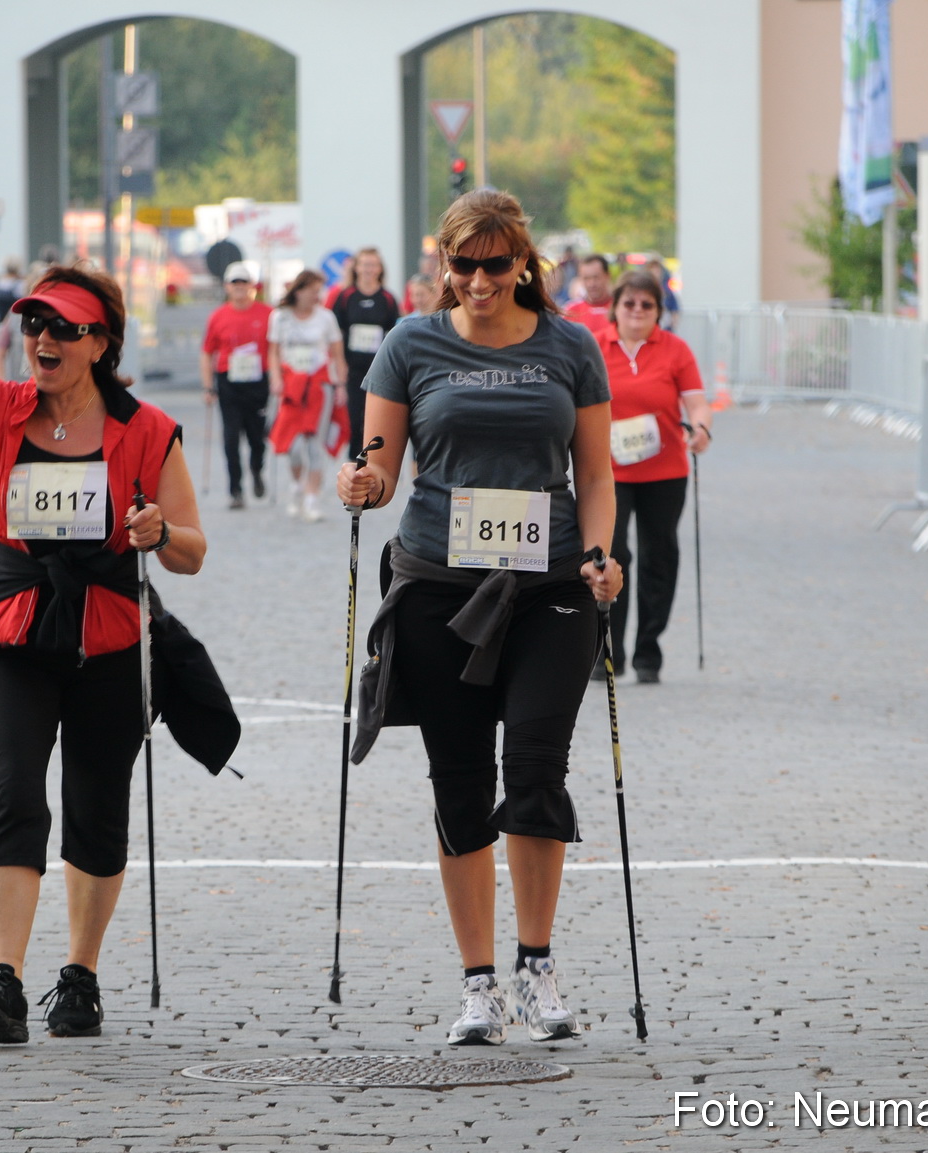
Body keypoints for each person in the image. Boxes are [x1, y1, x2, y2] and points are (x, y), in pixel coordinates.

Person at [0, 181, 222, 1044]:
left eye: (63, 327)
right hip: (11, 631)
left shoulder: (148, 429)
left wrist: (155, 528)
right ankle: (3, 979)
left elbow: (192, 549)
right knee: (14, 788)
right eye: (34, 324)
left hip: (109, 637)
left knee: (97, 805)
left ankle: (80, 976)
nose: (43, 339)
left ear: (101, 342)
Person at [336, 190, 623, 1047]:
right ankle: (479, 984)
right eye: (462, 264)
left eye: (495, 264)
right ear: (443, 264)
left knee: (535, 766)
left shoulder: (569, 346)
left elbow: (597, 473)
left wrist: (603, 554)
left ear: (522, 264)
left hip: (550, 583)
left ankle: (536, 968)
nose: (478, 280)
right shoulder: (408, 343)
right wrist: (362, 485)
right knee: (457, 779)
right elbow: (379, 463)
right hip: (436, 583)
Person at [601, 267, 711, 684]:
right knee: (611, 555)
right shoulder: (596, 347)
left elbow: (696, 402)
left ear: (658, 311)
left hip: (664, 470)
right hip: (609, 471)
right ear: (615, 307)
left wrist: (701, 428)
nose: (637, 311)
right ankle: (609, 650)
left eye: (647, 304)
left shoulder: (674, 350)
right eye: (629, 303)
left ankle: (649, 650)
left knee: (658, 557)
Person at [265, 270, 345, 522]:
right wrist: (276, 379)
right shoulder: (280, 317)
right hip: (291, 387)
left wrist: (340, 384)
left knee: (314, 444)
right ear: (299, 291)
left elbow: (337, 354)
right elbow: (273, 352)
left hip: (319, 386)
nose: (316, 296)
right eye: (312, 291)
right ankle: (297, 484)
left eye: (319, 291)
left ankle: (312, 498)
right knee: (293, 445)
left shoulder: (326, 318)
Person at [199, 262, 272, 510]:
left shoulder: (267, 314)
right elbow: (207, 352)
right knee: (231, 438)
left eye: (244, 283)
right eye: (235, 283)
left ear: (253, 286)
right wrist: (208, 387)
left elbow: (276, 349)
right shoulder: (218, 316)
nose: (240, 288)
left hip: (257, 383)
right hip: (229, 382)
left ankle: (256, 470)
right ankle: (236, 491)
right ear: (227, 287)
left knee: (257, 438)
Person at [330, 246, 400, 459]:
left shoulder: (387, 298)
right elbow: (335, 334)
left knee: (375, 416)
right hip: (353, 369)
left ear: (380, 269)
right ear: (357, 268)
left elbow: (395, 334)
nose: (369, 269)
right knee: (353, 416)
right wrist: (339, 367)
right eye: (365, 264)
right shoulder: (345, 296)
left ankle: (373, 458)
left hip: (379, 369)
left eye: (373, 265)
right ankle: (354, 460)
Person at [562, 254, 617, 355]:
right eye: (586, 278)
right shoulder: (570, 311)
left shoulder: (620, 309)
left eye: (596, 277)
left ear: (607, 276)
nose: (591, 284)